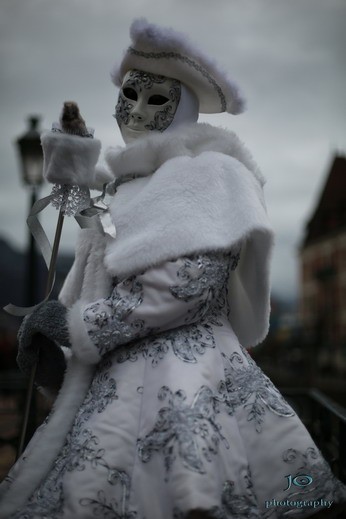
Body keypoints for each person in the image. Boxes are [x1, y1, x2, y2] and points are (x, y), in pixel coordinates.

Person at [1, 18, 345, 519]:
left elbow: (187, 287)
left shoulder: (210, 174)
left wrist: (77, 327)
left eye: (158, 98)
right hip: (114, 387)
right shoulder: (131, 185)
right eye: (130, 93)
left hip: (189, 382)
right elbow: (101, 278)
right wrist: (59, 348)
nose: (138, 109)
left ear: (183, 106)